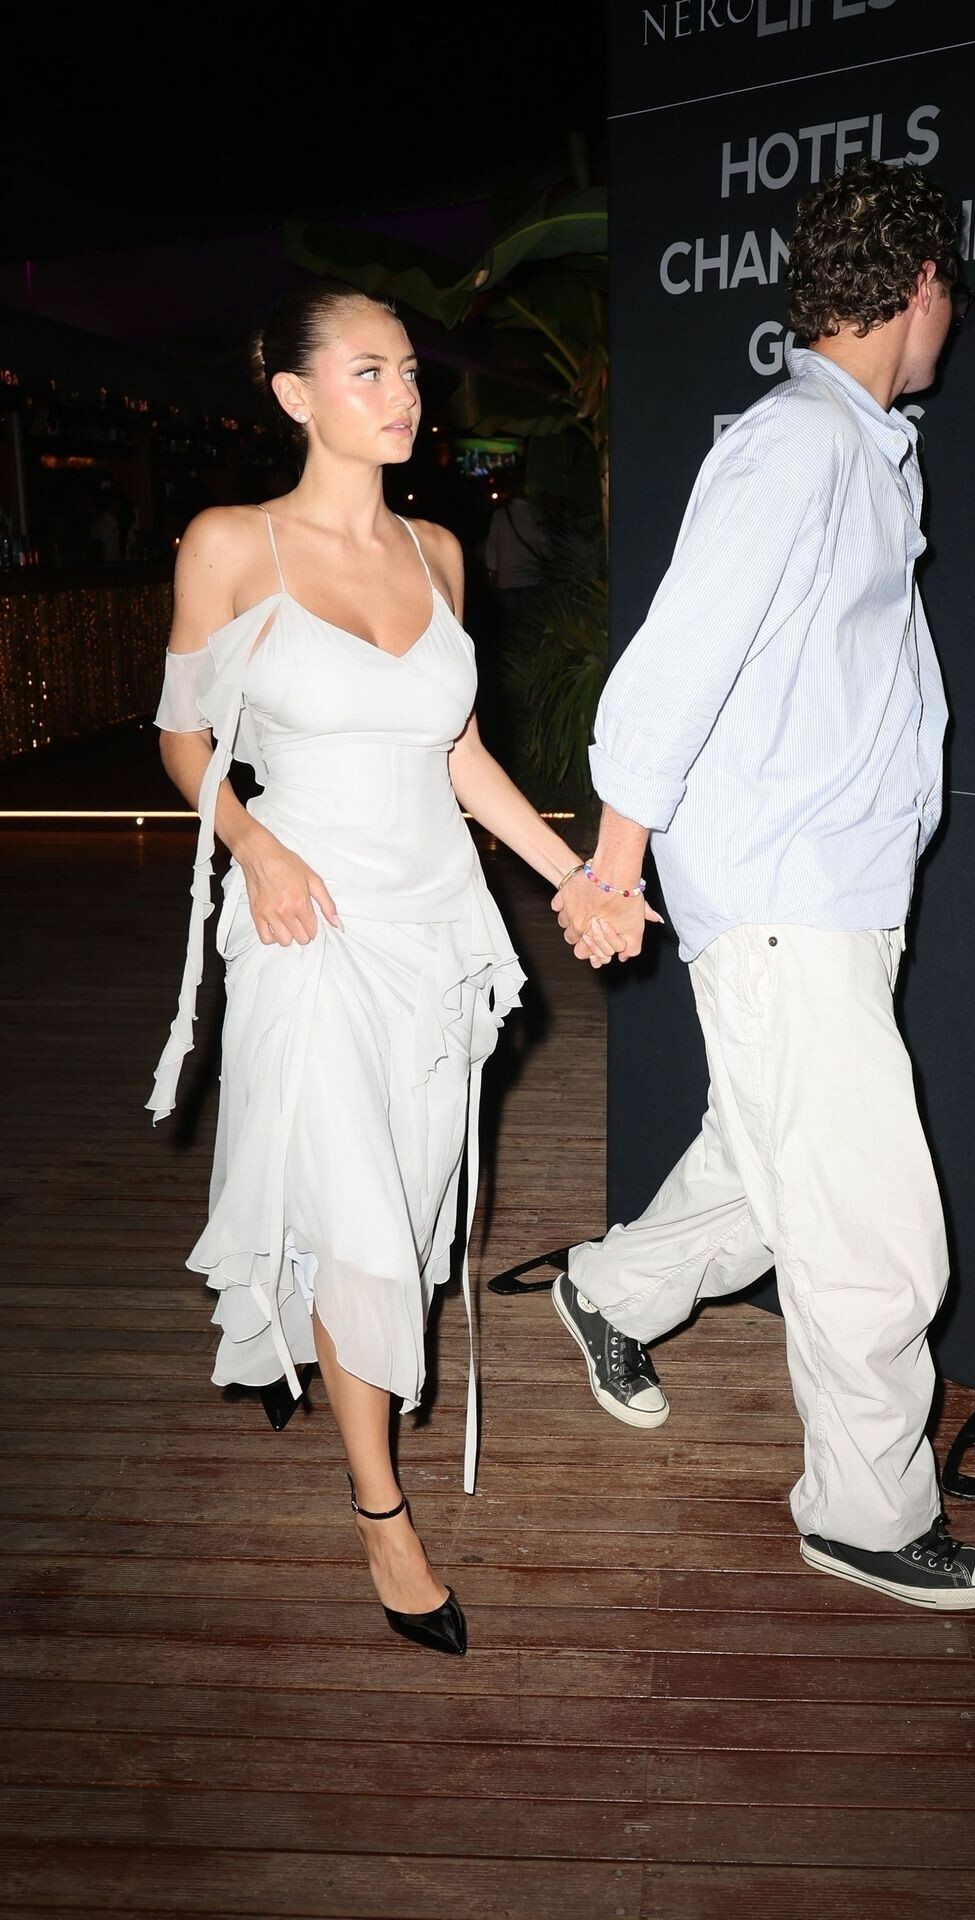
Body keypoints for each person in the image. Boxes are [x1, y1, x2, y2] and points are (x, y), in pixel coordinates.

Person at [548, 160, 975, 1612]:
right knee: (873, 1234)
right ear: (919, 284)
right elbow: (672, 666)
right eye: (952, 291)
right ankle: (864, 1513)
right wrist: (612, 864)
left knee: (767, 1173)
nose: (954, 317)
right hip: (784, 899)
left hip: (828, 890)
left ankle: (606, 1291)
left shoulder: (859, 447)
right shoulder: (797, 446)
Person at [150, 282, 630, 1654]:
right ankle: (382, 1514)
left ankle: (329, 1351)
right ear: (295, 395)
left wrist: (577, 876)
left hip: (434, 929)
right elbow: (184, 739)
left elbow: (460, 754)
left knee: (406, 1205)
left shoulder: (438, 552)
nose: (404, 395)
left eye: (410, 370)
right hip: (309, 926)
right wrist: (253, 846)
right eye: (368, 371)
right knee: (359, 1213)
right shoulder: (230, 543)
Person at [484, 470, 550, 641]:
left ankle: (512, 652)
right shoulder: (535, 515)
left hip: (506, 580)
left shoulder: (499, 515)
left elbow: (492, 547)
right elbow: (546, 546)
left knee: (511, 624)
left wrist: (493, 575)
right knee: (530, 624)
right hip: (530, 578)